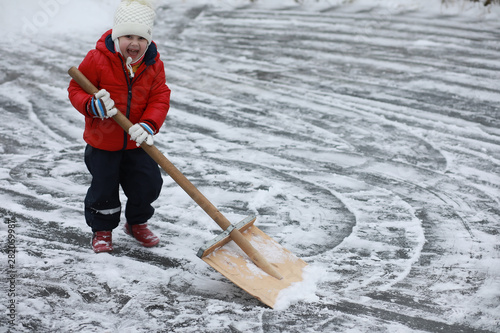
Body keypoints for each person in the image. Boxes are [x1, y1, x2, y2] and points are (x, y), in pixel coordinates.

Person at [68, 0, 171, 253]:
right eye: (127, 36)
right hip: (103, 142)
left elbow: (160, 97)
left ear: (148, 40)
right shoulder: (97, 59)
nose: (134, 43)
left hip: (138, 141)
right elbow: (76, 89)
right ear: (116, 36)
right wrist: (92, 105)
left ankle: (136, 223)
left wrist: (148, 125)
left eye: (140, 38)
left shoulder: (153, 64)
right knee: (104, 189)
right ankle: (102, 230)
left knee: (147, 184)